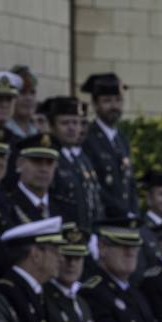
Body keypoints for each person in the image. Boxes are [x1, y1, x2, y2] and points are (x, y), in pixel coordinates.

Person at [80, 72, 137, 216]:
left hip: (124, 220)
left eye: (118, 100)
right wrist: (121, 212)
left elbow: (129, 184)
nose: (114, 106)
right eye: (107, 101)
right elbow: (95, 186)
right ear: (95, 104)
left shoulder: (121, 139)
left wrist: (134, 214)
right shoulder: (88, 138)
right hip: (104, 217)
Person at [43, 95, 102, 230]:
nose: (71, 128)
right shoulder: (49, 157)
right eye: (65, 123)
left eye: (76, 123)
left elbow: (95, 201)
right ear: (52, 126)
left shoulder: (82, 159)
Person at [7, 65, 40, 138]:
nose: (29, 98)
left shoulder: (37, 132)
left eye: (32, 92)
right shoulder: (4, 131)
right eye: (22, 92)